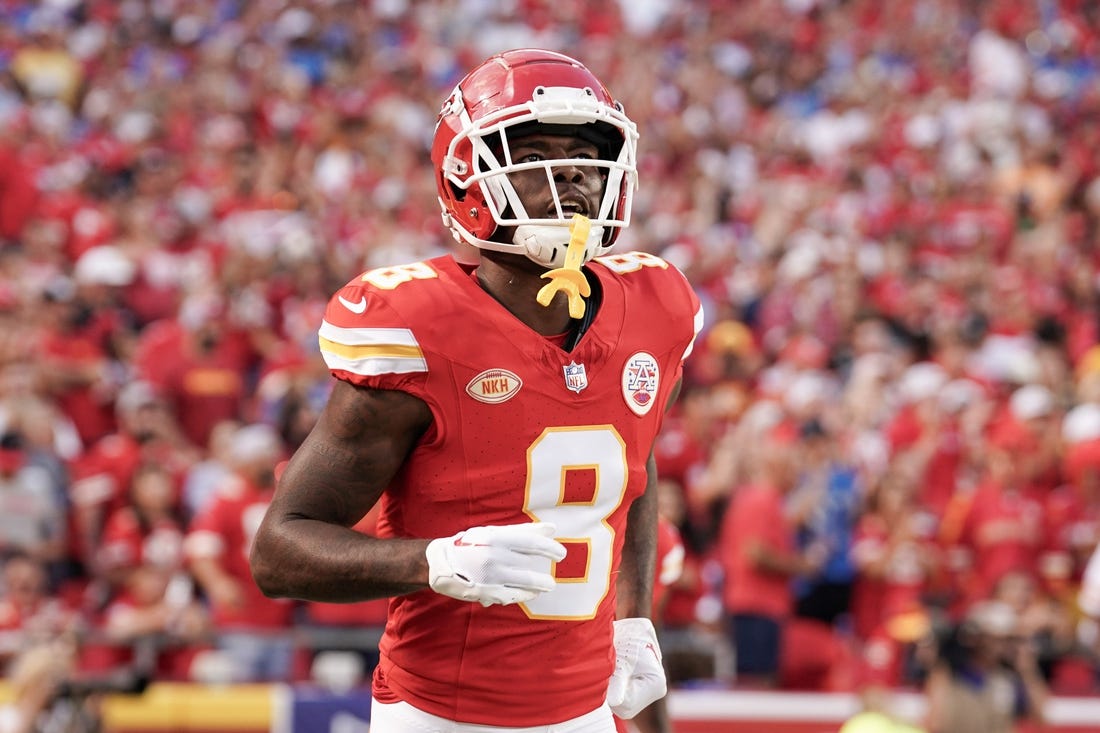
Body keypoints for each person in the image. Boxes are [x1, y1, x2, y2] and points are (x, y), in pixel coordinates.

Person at [251, 48, 702, 733]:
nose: (573, 171)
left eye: (584, 151)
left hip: (582, 710)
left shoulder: (655, 305)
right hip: (441, 715)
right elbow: (279, 551)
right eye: (537, 149)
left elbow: (635, 470)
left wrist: (633, 615)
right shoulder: (420, 328)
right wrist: (433, 560)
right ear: (469, 174)